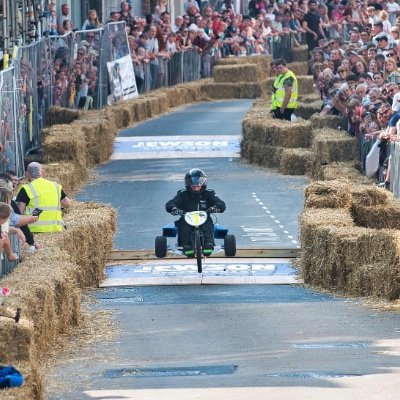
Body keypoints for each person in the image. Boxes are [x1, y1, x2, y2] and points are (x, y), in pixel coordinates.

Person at [165, 169, 226, 256]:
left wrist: (215, 208)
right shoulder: (182, 194)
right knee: (183, 224)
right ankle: (187, 246)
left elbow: (221, 204)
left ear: (203, 184)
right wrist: (174, 209)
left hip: (204, 217)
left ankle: (209, 244)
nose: (196, 188)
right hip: (186, 217)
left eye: (198, 186)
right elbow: (170, 203)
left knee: (207, 223)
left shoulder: (209, 193)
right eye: (194, 186)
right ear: (189, 185)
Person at [16, 162, 71, 233]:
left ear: (27, 174)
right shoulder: (55, 186)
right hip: (55, 229)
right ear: (42, 172)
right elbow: (67, 204)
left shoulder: (25, 189)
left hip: (34, 231)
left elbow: (19, 212)